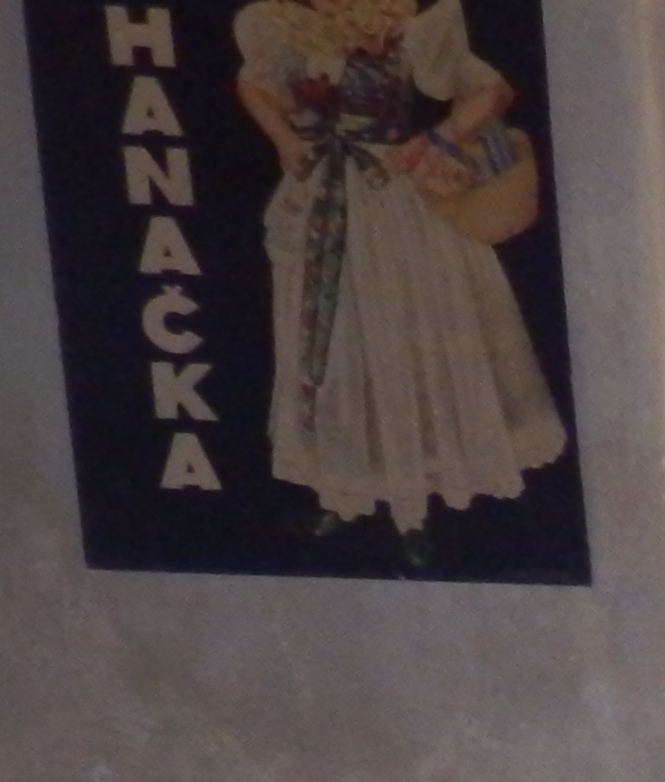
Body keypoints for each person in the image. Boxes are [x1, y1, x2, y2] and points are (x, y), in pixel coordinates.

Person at [234, 0, 571, 540]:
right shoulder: (289, 27)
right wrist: (287, 140)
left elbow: (492, 91)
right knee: (340, 341)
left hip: (393, 193)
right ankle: (346, 489)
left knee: (406, 333)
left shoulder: (412, 32)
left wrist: (439, 138)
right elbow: (254, 84)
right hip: (324, 197)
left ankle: (415, 508)